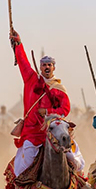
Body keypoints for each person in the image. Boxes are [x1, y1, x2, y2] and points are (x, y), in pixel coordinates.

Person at [7, 30, 71, 178]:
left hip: (53, 131)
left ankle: (81, 185)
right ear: (41, 68)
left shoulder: (59, 88)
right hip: (32, 132)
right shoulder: (31, 79)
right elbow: (23, 62)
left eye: (49, 65)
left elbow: (65, 110)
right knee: (26, 162)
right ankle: (20, 188)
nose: (47, 67)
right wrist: (18, 43)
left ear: (54, 67)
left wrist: (47, 112)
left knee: (74, 158)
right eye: (44, 65)